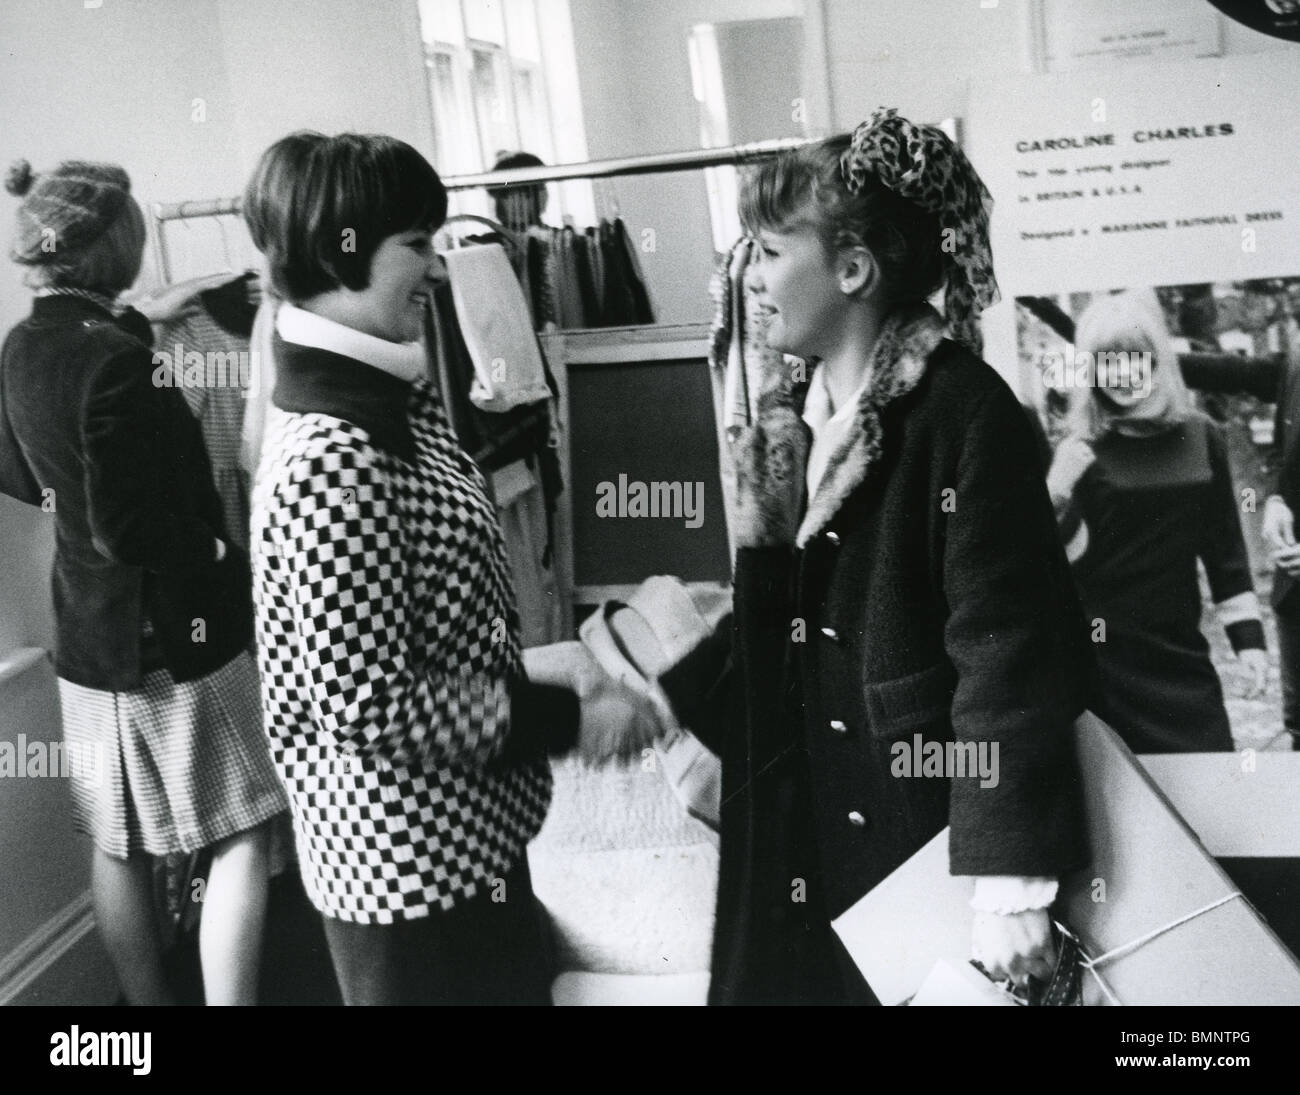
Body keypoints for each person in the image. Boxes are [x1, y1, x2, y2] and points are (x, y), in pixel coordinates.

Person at [652, 109, 1092, 1005]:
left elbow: (1006, 658)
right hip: (802, 847)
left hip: (916, 844)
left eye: (770, 253)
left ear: (852, 269)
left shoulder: (966, 418)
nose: (751, 280)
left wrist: (1010, 884)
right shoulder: (788, 423)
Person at [242, 131, 664, 1005]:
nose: (439, 270)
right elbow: (369, 704)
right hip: (408, 875)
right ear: (341, 249)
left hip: (458, 847)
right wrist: (567, 717)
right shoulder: (333, 450)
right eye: (417, 245)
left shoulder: (382, 392)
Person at [0, 158, 287, 1005]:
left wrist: (140, 326)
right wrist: (224, 555)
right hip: (174, 637)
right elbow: (133, 529)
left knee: (118, 840)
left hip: (86, 638)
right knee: (241, 826)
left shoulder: (22, 345)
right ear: (115, 246)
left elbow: (20, 475)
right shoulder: (123, 362)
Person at [1046, 290, 1269, 753]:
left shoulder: (1202, 436)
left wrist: (1249, 645)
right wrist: (1055, 491)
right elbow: (1046, 566)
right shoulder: (1078, 449)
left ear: (1157, 362)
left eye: (1135, 358)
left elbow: (1225, 553)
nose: (1123, 373)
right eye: (1108, 361)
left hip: (1180, 655)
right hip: (1100, 660)